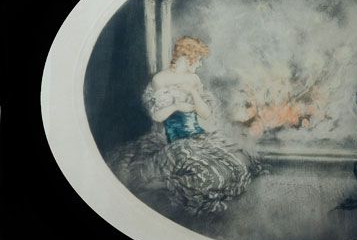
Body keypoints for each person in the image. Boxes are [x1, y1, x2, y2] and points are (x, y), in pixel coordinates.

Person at [107, 37, 262, 214]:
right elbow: (157, 116)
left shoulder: (194, 79)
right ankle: (166, 185)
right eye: (199, 59)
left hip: (198, 136)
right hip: (174, 140)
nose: (200, 64)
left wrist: (193, 93)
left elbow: (205, 113)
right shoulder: (160, 80)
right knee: (207, 175)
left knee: (237, 166)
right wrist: (177, 106)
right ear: (188, 57)